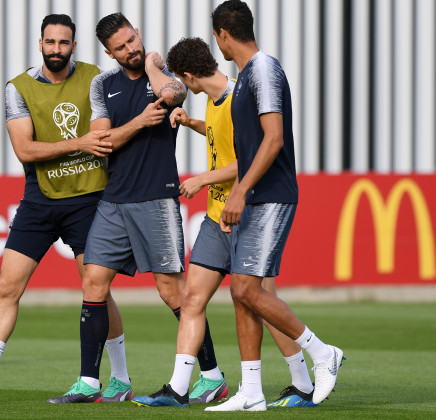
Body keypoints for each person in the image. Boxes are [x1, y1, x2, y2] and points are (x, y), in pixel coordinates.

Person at [0, 14, 132, 403]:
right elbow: (25, 149)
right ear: (39, 44)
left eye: (64, 42)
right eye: (50, 42)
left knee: (96, 290)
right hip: (39, 199)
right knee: (6, 287)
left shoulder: (96, 77)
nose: (56, 49)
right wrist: (79, 143)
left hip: (89, 199)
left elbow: (109, 128)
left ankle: (121, 381)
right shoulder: (18, 88)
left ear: (74, 46)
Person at [48, 13, 223, 405]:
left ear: (138, 35)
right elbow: (101, 140)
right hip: (113, 200)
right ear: (109, 53)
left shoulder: (161, 70)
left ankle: (212, 376)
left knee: (172, 291)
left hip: (156, 198)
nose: (131, 48)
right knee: (93, 281)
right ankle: (91, 383)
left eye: (133, 40)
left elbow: (175, 96)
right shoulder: (102, 84)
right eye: (121, 47)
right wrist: (142, 121)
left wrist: (150, 65)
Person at [132, 37, 315, 408]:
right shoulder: (216, 102)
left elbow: (248, 159)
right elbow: (221, 137)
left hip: (246, 213)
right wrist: (191, 122)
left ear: (187, 75)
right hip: (217, 218)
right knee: (192, 297)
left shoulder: (239, 99)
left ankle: (304, 380)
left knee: (260, 299)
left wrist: (203, 178)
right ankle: (179, 388)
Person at [203, 0, 345, 412]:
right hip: (255, 196)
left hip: (271, 195)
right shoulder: (247, 74)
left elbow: (274, 138)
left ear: (224, 35)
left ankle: (322, 353)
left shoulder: (263, 69)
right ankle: (251, 393)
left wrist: (240, 189)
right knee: (241, 294)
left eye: (217, 38)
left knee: (247, 287)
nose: (219, 45)